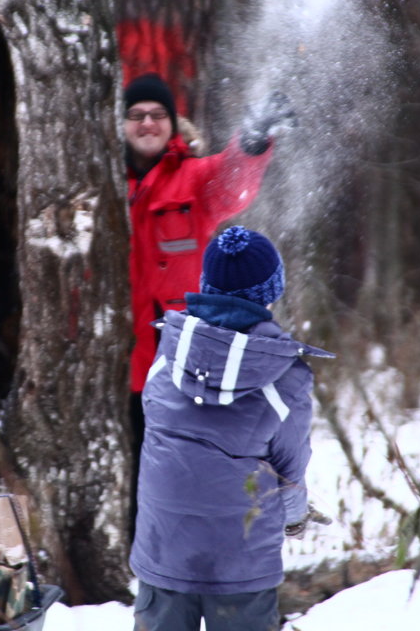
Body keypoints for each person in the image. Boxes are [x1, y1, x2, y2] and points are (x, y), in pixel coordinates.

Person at [130, 226, 333, 631]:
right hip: (239, 562)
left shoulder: (168, 354)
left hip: (162, 548)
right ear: (270, 291)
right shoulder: (285, 378)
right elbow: (288, 472)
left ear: (206, 284)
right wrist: (294, 519)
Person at [123, 73, 295, 517]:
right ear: (121, 124)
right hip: (113, 367)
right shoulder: (100, 185)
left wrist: (253, 141)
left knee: (173, 482)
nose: (147, 123)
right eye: (136, 115)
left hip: (178, 367)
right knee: (121, 481)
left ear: (173, 124)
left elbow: (231, 179)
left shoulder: (191, 180)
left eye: (158, 115)